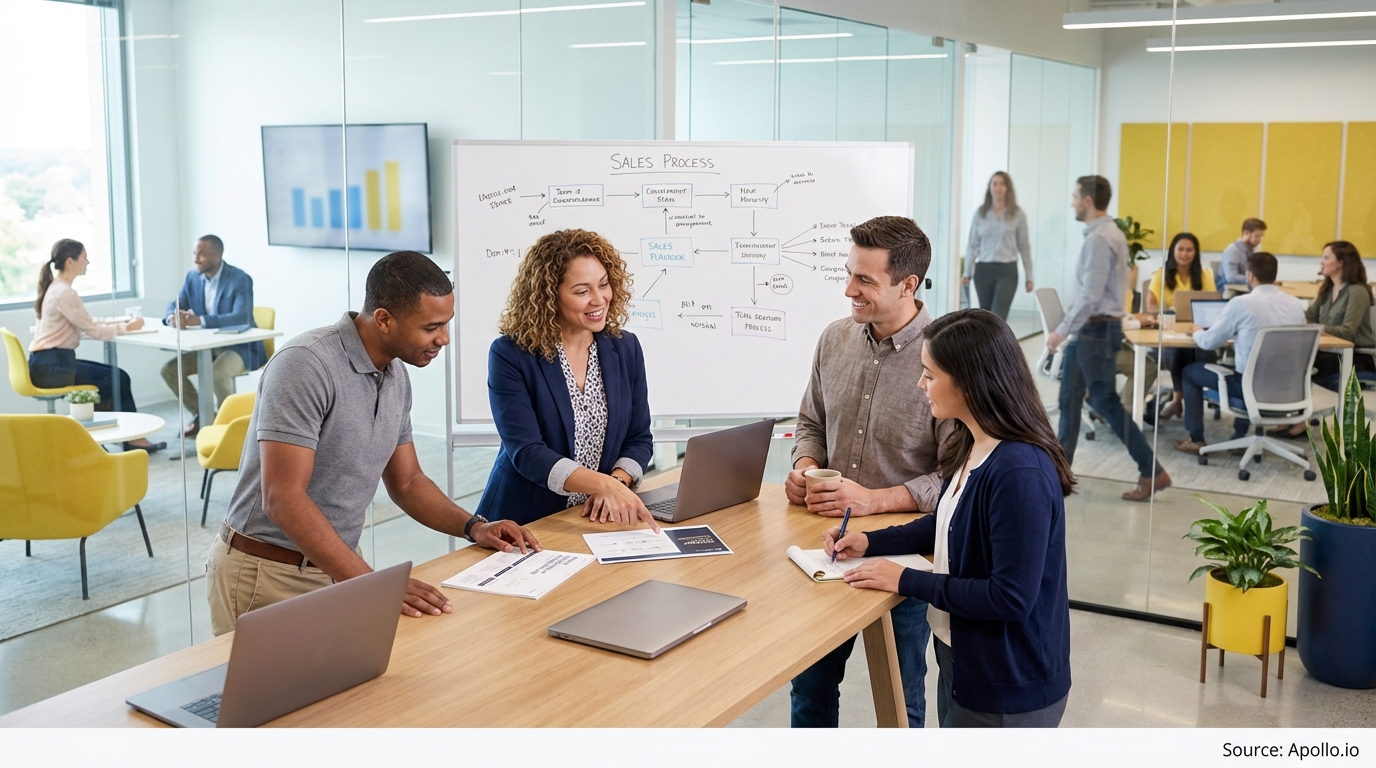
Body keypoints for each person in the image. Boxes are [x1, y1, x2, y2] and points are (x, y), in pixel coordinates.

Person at [207, 251, 540, 636]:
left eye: (446, 324)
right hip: (268, 573)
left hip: (338, 565)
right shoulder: (305, 364)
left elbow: (408, 482)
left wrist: (474, 527)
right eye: (432, 327)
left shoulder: (396, 375)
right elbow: (283, 498)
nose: (443, 339)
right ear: (383, 319)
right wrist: (374, 586)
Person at [833, 308, 1073, 728]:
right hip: (962, 659)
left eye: (929, 374)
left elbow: (1010, 597)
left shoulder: (1020, 472)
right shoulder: (971, 441)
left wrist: (905, 580)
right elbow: (947, 521)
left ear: (970, 381)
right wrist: (872, 542)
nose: (919, 384)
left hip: (1008, 685)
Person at [786, 215, 955, 728]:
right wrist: (806, 466)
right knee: (810, 693)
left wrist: (877, 500)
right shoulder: (834, 339)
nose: (848, 291)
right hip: (823, 545)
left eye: (865, 281)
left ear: (909, 284)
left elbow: (959, 478)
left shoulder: (948, 359)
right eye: (849, 274)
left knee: (903, 700)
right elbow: (810, 420)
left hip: (905, 553)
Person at [477, 229, 658, 530]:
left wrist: (615, 483)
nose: (599, 299)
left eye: (603, 285)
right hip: (524, 523)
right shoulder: (511, 354)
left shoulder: (625, 348)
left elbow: (638, 437)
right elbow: (527, 452)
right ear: (550, 296)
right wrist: (601, 486)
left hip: (595, 518)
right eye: (582, 291)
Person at [1047, 175, 1168, 501]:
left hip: (1096, 331)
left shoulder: (1100, 238)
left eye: (1075, 196)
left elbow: (1090, 296)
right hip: (1094, 330)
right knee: (1069, 400)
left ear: (1088, 200)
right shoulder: (1107, 233)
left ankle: (1152, 470)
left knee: (1103, 402)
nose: (1072, 201)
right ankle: (1059, 478)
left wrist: (1061, 330)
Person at [28, 239, 166, 453]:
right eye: (84, 258)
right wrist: (127, 328)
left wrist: (119, 324)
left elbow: (87, 323)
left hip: (49, 363)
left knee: (112, 377)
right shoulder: (65, 293)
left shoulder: (56, 288)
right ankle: (123, 439)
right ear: (70, 261)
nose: (88, 262)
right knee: (117, 378)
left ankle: (100, 439)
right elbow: (94, 331)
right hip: (54, 367)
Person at [1173, 252, 1306, 454]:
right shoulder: (1296, 305)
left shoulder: (1240, 304)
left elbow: (1208, 343)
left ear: (1250, 275)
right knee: (1244, 368)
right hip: (1288, 389)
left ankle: (1196, 438)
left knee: (1190, 372)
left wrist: (1197, 331)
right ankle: (1238, 438)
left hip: (1249, 388)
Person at [162, 235, 266, 437]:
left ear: (218, 254)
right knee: (170, 370)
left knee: (217, 373)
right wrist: (172, 317)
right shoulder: (192, 278)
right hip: (207, 348)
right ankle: (205, 416)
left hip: (240, 347)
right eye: (194, 253)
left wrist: (199, 320)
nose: (196, 259)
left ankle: (233, 429)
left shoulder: (240, 279)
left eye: (202, 254)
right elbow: (175, 303)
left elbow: (241, 316)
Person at [1272, 241, 1376, 437]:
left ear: (1342, 263)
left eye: (1326, 257)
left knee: (1294, 363)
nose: (1321, 262)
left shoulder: (1357, 291)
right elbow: (1309, 315)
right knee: (1284, 358)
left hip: (1353, 357)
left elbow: (1347, 332)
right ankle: (1292, 416)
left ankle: (1299, 419)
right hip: (1327, 352)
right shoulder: (1327, 288)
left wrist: (1316, 328)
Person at [1141, 232, 1216, 421]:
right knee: (1176, 352)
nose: (1184, 254)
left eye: (1189, 250)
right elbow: (1151, 303)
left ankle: (1179, 398)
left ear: (1196, 252)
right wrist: (1165, 313)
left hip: (1197, 329)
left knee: (1198, 353)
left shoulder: (1204, 275)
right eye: (1180, 249)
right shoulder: (1163, 274)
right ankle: (1181, 397)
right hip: (1171, 330)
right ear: (1173, 251)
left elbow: (1212, 302)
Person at [962, 171, 1033, 321]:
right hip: (983, 271)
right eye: (995, 183)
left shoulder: (1018, 214)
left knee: (998, 318)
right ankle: (986, 345)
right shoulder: (980, 214)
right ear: (990, 187)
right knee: (984, 319)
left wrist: (1029, 276)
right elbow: (973, 245)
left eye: (1002, 184)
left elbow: (1024, 247)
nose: (998, 187)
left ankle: (998, 345)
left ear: (1008, 188)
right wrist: (967, 272)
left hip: (1007, 272)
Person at [1218, 218, 1267, 290]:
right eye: (1256, 236)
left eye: (1261, 236)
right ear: (1246, 233)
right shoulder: (1233, 251)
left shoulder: (1251, 251)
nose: (1259, 239)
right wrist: (1255, 279)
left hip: (1244, 288)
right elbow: (1231, 277)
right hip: (1228, 289)